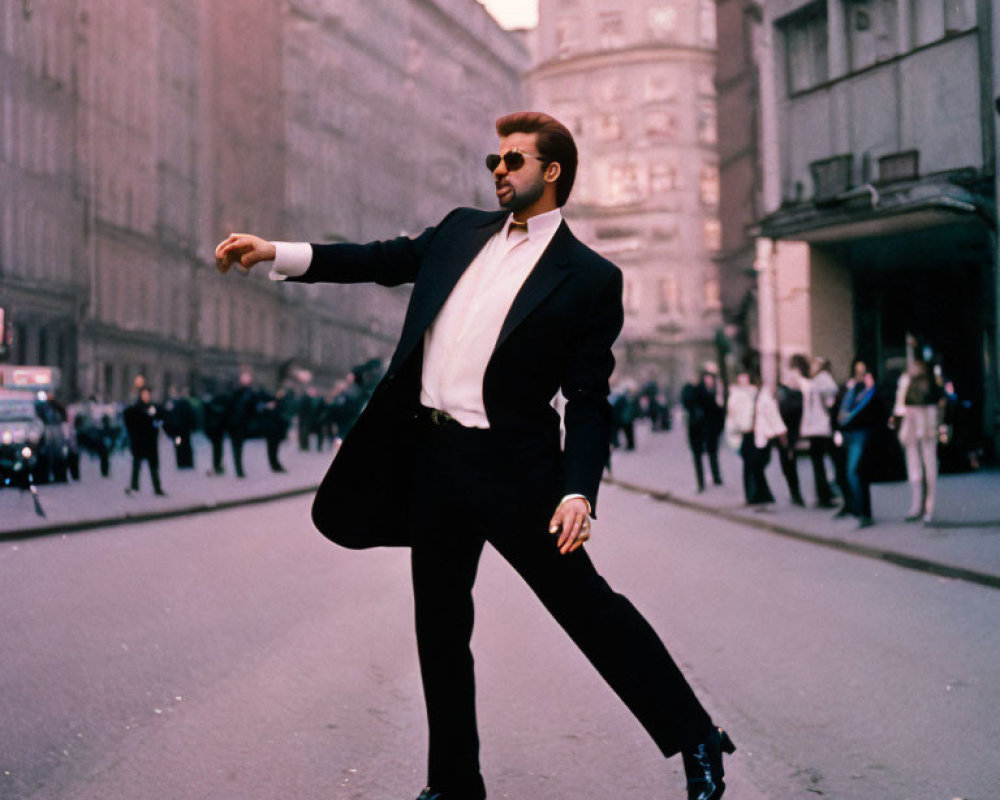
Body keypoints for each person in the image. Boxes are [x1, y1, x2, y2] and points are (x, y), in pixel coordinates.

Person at [215, 111, 734, 800]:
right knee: (440, 627)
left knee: (588, 608)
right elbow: (376, 259)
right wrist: (275, 251)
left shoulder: (588, 277)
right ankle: (455, 784)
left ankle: (695, 735)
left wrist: (579, 491)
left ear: (551, 173)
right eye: (495, 160)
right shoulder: (460, 232)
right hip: (434, 458)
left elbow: (587, 400)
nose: (498, 170)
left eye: (513, 161)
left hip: (516, 472)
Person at [892, 356, 944, 523]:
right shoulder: (907, 378)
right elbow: (900, 404)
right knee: (915, 466)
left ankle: (928, 507)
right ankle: (918, 505)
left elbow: (939, 401)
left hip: (926, 420)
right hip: (913, 420)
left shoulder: (932, 376)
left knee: (928, 465)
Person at [725, 371, 785, 509]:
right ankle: (756, 495)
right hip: (748, 435)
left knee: (755, 466)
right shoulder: (740, 395)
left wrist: (780, 432)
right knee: (751, 466)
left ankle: (759, 495)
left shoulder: (761, 396)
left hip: (757, 434)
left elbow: (772, 415)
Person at [838, 359, 878, 529]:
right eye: (857, 371)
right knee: (853, 474)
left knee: (854, 472)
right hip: (850, 435)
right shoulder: (852, 389)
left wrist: (870, 389)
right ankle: (859, 509)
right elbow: (842, 412)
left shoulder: (870, 391)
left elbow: (868, 411)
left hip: (862, 435)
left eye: (863, 371)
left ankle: (864, 512)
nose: (860, 375)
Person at [800, 357, 839, 509]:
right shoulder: (816, 381)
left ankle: (826, 493)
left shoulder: (823, 380)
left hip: (821, 427)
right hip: (817, 428)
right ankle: (824, 494)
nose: (812, 367)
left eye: (815, 364)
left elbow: (830, 400)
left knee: (821, 462)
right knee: (819, 463)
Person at [681, 370, 724, 492]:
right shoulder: (692, 390)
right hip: (696, 428)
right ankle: (701, 482)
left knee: (712, 452)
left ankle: (715, 477)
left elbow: (717, 410)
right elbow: (687, 402)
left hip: (708, 428)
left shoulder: (710, 391)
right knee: (698, 456)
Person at [775, 355, 807, 507]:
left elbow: (786, 412)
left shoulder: (792, 394)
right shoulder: (788, 393)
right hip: (788, 434)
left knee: (788, 464)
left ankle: (796, 494)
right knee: (788, 465)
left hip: (788, 435)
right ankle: (795, 493)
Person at [122, 387, 166, 496]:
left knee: (153, 467)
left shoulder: (153, 407)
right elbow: (129, 418)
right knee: (137, 465)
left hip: (150, 441)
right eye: (144, 394)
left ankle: (157, 488)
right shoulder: (136, 408)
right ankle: (134, 486)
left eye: (148, 394)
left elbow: (160, 419)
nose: (146, 396)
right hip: (139, 441)